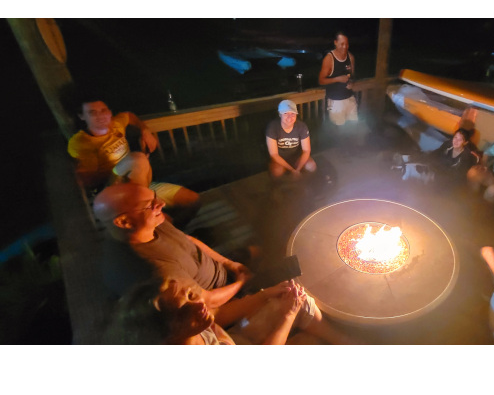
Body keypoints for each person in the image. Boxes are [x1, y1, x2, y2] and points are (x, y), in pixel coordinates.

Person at [92, 183, 355, 344]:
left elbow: (190, 239)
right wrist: (244, 282)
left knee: (272, 244)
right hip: (229, 294)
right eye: (150, 204)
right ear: (124, 222)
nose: (160, 203)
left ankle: (348, 342)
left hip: (225, 281)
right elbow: (209, 305)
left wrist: (232, 263)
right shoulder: (160, 276)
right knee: (292, 269)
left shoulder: (153, 224)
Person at [67, 99, 200, 223]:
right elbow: (87, 180)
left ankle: (174, 230)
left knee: (192, 200)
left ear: (110, 112)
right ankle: (144, 212)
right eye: (92, 113)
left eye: (104, 110)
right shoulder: (80, 143)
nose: (100, 116)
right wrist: (131, 165)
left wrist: (144, 130)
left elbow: (130, 116)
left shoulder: (116, 124)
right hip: (112, 190)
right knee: (138, 159)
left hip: (138, 181)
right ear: (82, 116)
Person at [103, 277, 312, 345]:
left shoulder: (192, 326)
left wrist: (266, 293)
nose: (200, 306)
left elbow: (219, 315)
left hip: (233, 339)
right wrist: (288, 315)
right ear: (164, 335)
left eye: (191, 297)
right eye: (183, 312)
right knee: (308, 341)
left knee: (299, 300)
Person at [265, 99, 316, 180]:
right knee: (276, 171)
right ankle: (277, 186)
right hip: (280, 157)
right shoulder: (273, 127)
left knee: (311, 166)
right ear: (280, 114)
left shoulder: (301, 126)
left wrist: (298, 169)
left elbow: (306, 150)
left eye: (292, 113)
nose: (290, 117)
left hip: (297, 156)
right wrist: (292, 170)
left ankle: (305, 183)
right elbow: (274, 154)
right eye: (285, 113)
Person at [318, 31, 357, 128]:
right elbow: (321, 81)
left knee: (354, 127)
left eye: (347, 44)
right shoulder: (329, 59)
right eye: (342, 44)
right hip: (336, 102)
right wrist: (337, 79)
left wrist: (352, 82)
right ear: (335, 42)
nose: (345, 47)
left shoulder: (351, 57)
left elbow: (352, 76)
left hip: (350, 98)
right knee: (340, 129)